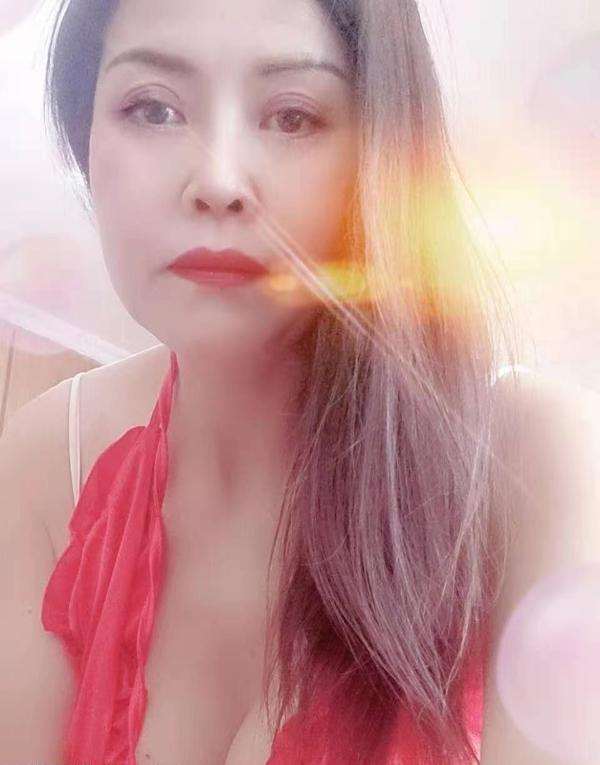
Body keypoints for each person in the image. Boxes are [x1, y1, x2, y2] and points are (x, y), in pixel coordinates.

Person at [1, 0, 599, 763]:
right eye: (153, 109)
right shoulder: (52, 460)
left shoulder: (533, 466)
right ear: (84, 138)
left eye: (292, 117)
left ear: (380, 153)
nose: (218, 180)